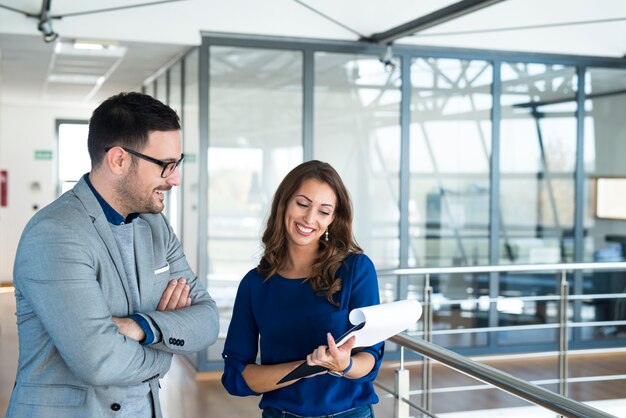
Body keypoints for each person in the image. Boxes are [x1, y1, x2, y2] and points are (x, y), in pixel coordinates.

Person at [7, 92, 219, 417]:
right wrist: (166, 350)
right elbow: (100, 362)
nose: (175, 179)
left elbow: (207, 321)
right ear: (119, 160)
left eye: (178, 164)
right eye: (166, 165)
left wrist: (142, 327)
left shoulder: (156, 227)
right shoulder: (56, 233)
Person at [222, 160, 384, 417]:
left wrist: (344, 364)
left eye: (324, 211)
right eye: (302, 204)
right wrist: (310, 366)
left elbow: (370, 357)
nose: (310, 218)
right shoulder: (254, 284)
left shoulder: (356, 269)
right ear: (284, 203)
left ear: (333, 219)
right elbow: (237, 376)